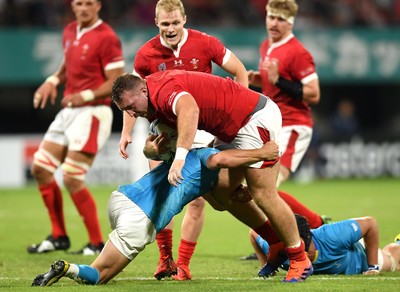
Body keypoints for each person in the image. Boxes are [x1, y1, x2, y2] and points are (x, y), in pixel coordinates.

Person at [111, 70, 314, 283]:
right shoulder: (150, 102)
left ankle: (299, 258)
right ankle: (275, 242)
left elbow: (189, 110)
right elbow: (158, 141)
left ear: (143, 90)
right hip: (229, 128)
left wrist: (179, 157)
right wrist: (149, 151)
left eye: (131, 107)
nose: (132, 114)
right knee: (221, 193)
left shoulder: (163, 90)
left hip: (252, 117)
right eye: (126, 110)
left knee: (263, 194)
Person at [31, 123, 280, 286]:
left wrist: (236, 193)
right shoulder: (207, 156)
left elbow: (217, 202)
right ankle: (66, 268)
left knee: (114, 253)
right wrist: (261, 154)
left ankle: (168, 260)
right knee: (98, 276)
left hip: (120, 200)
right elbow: (222, 159)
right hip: (139, 220)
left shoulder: (181, 156)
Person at [119, 0, 249, 281]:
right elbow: (132, 97)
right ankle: (164, 258)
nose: (171, 29)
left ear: (184, 20)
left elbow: (240, 72)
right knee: (161, 192)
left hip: (198, 126)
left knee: (197, 199)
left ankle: (184, 264)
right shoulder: (145, 55)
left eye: (175, 23)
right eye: (165, 24)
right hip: (162, 130)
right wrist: (126, 131)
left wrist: (238, 114)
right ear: (156, 23)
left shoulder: (206, 43)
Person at [27, 0, 125, 255]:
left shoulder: (107, 37)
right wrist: (52, 80)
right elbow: (66, 65)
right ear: (73, 5)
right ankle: (59, 236)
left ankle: (96, 242)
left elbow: (117, 79)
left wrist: (87, 95)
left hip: (93, 112)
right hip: (69, 110)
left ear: (98, 6)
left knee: (71, 177)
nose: (83, 8)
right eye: (79, 3)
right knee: (40, 168)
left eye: (89, 3)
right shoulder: (70, 30)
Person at [248, 0, 320, 187]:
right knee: (257, 185)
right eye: (271, 17)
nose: (274, 23)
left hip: (293, 123)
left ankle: (309, 219)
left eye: (280, 19)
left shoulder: (297, 53)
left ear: (290, 23)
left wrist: (279, 80)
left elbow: (314, 93)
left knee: (269, 184)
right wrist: (257, 78)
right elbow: (271, 82)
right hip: (272, 122)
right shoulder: (266, 46)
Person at [255, 214, 400, 276]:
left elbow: (370, 223)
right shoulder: (278, 250)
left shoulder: (331, 236)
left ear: (304, 236)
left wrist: (373, 267)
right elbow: (254, 233)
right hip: (343, 254)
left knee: (393, 260)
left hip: (361, 257)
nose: (286, 244)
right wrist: (267, 264)